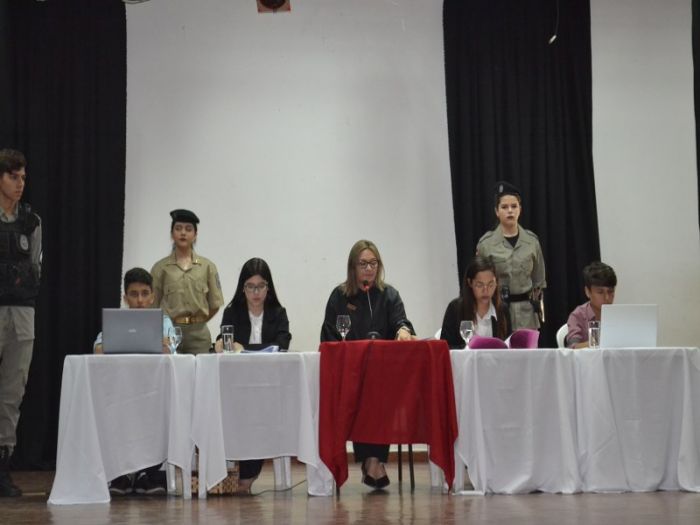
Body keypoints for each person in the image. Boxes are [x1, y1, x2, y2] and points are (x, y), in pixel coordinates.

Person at [320, 239, 416, 490]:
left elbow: (401, 322)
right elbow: (328, 336)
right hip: (349, 374)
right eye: (363, 264)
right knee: (363, 391)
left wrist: (403, 330)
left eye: (374, 263)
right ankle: (373, 461)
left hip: (383, 374)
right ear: (352, 267)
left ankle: (373, 460)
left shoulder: (389, 294)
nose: (369, 269)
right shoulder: (340, 296)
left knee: (378, 391)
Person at [213, 258, 291, 494]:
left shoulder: (278, 313)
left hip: (270, 386)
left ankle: (247, 475)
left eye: (260, 286)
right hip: (237, 386)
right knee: (238, 410)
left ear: (269, 288)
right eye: (250, 286)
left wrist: (243, 347)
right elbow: (224, 344)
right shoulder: (232, 312)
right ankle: (236, 473)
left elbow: (282, 344)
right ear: (242, 288)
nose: (256, 293)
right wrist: (221, 344)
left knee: (260, 410)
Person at [93, 267, 174, 495]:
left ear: (152, 296)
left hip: (154, 391)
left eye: (144, 293)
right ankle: (122, 473)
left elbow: (171, 349)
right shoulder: (116, 321)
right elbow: (98, 348)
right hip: (123, 391)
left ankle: (149, 472)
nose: (139, 300)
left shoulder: (164, 322)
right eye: (134, 294)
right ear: (125, 297)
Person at [0, 149, 41, 498]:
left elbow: (36, 267)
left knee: (12, 393)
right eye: (13, 177)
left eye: (23, 177)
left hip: (22, 312)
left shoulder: (32, 222)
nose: (20, 183)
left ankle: (3, 466)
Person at [151, 209, 224, 354]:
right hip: (169, 333)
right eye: (178, 228)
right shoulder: (160, 268)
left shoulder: (207, 267)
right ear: (172, 234)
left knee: (201, 368)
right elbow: (152, 306)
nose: (183, 233)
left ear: (195, 235)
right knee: (170, 368)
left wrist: (198, 320)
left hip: (199, 335)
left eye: (188, 229)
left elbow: (215, 304)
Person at [476, 181, 546, 331]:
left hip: (527, 315)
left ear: (520, 209)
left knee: (527, 347)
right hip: (498, 312)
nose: (510, 211)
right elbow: (479, 282)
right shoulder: (486, 245)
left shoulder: (532, 242)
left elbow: (538, 281)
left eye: (514, 206)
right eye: (504, 207)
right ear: (496, 211)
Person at [441, 255, 512, 348]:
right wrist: (469, 349)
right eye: (480, 285)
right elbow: (445, 347)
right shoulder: (455, 309)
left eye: (491, 284)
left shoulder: (502, 309)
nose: (485, 290)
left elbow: (508, 347)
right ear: (470, 282)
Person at [566, 261, 617, 349]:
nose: (607, 297)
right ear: (588, 292)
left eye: (610, 291)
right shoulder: (578, 316)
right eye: (600, 292)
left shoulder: (618, 315)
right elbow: (573, 347)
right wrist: (599, 341)